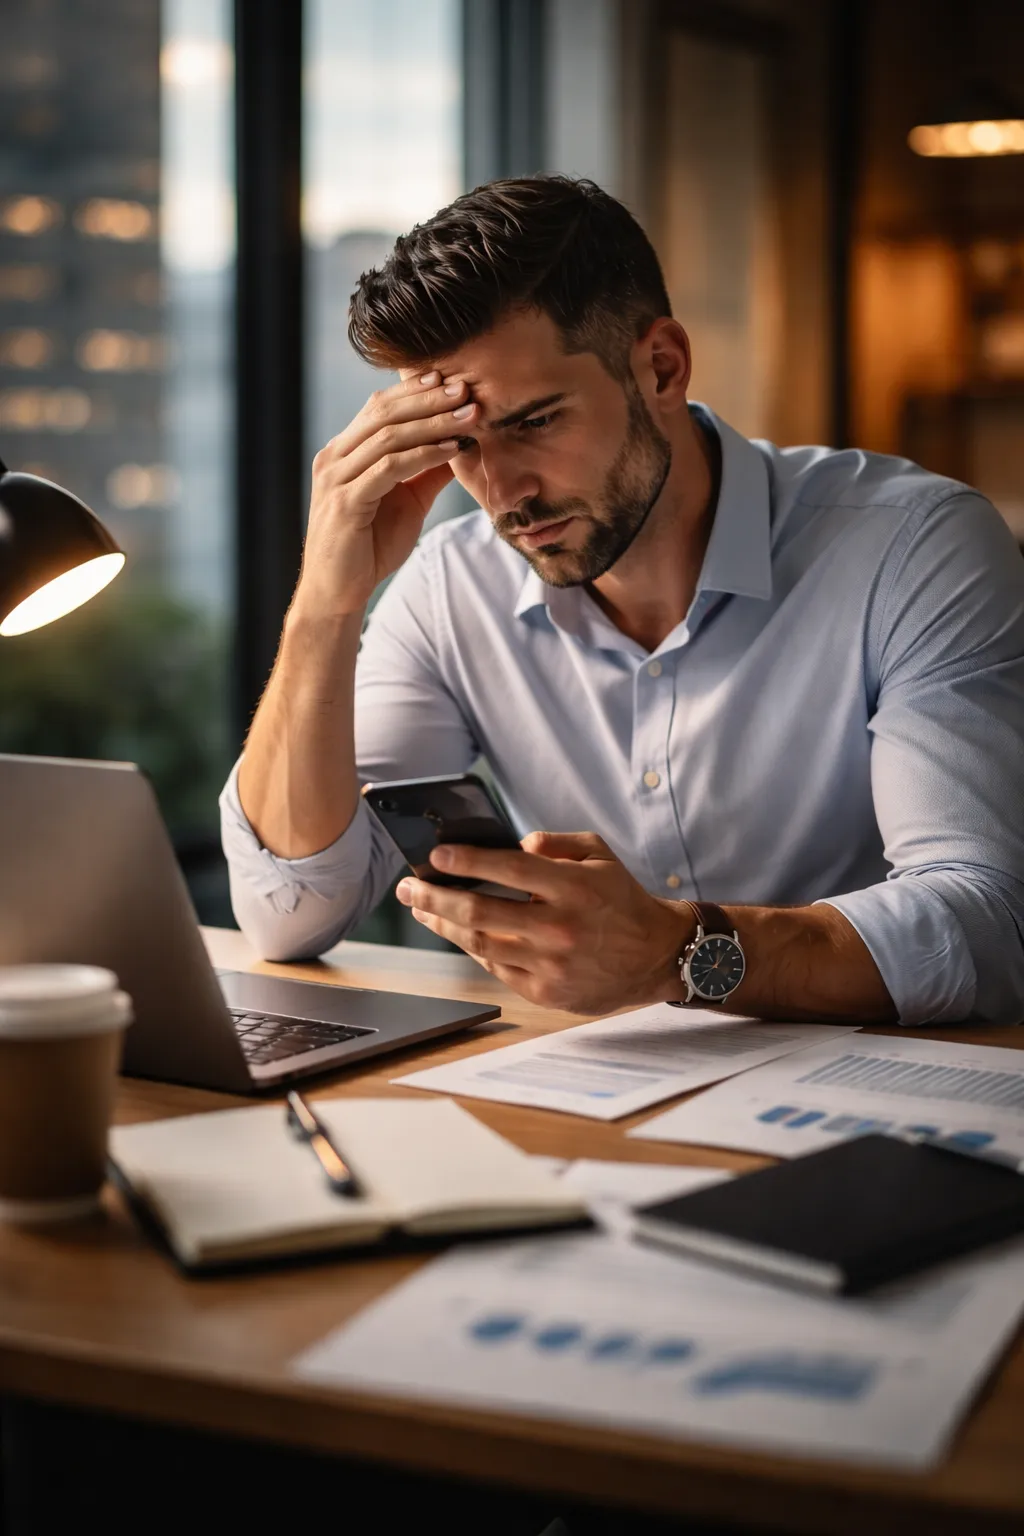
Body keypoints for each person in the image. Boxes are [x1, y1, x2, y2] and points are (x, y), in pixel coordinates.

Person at [220, 175, 1024, 1026]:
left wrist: (679, 955)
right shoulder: (447, 589)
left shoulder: (915, 547)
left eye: (534, 422)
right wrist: (326, 602)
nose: (502, 494)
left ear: (662, 367)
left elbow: (988, 922)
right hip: (586, 1109)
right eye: (459, 443)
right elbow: (290, 914)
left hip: (886, 1102)